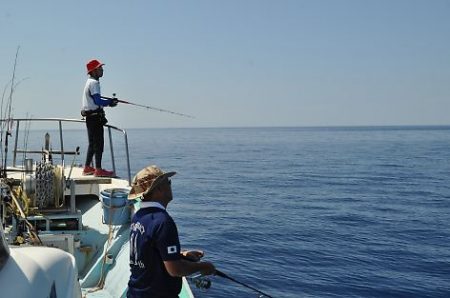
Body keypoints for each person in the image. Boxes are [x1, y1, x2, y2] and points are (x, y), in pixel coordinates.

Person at [127, 165, 216, 298]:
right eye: (168, 182)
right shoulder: (163, 221)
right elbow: (175, 270)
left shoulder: (138, 217)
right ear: (158, 189)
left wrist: (182, 255)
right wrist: (204, 266)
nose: (170, 185)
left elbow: (148, 253)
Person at [81, 59, 118, 177]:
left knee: (92, 144)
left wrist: (108, 101)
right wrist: (110, 103)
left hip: (90, 118)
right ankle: (98, 169)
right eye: (99, 68)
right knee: (99, 144)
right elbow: (97, 101)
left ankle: (87, 167)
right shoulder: (94, 83)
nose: (102, 70)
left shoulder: (89, 82)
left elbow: (95, 99)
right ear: (93, 71)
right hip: (95, 118)